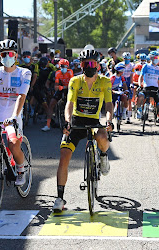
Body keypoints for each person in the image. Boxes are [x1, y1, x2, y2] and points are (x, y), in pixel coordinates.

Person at [52, 48, 113, 212]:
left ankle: (104, 156)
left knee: (102, 137)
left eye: (93, 63)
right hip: (77, 121)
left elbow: (108, 105)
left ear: (98, 66)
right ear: (81, 65)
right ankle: (59, 198)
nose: (90, 66)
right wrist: (67, 121)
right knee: (64, 154)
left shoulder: (105, 82)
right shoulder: (75, 81)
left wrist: (109, 120)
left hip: (94, 120)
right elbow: (69, 104)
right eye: (87, 64)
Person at [0, 39, 31, 186]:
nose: (7, 57)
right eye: (3, 54)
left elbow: (21, 96)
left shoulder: (25, 73)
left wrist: (14, 117)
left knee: (13, 143)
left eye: (10, 54)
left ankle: (21, 169)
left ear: (16, 56)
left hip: (13, 115)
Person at [137, 50, 159, 133]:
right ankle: (139, 109)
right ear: (151, 58)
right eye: (154, 58)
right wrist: (140, 85)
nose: (156, 59)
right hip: (147, 87)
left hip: (155, 89)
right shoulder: (146, 66)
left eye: (157, 57)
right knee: (140, 96)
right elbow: (141, 77)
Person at [42, 59, 74, 131]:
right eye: (62, 66)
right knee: (51, 104)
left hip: (69, 89)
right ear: (59, 66)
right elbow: (56, 85)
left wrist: (62, 87)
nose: (64, 68)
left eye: (66, 66)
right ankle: (48, 125)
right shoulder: (57, 73)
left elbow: (71, 84)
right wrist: (56, 88)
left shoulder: (70, 72)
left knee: (72, 103)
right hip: (61, 88)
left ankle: (72, 122)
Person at [122, 52, 134, 123]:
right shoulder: (121, 65)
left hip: (128, 81)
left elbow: (132, 76)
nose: (127, 60)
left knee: (129, 100)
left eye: (128, 59)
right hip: (122, 81)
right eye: (126, 59)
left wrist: (131, 84)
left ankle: (128, 117)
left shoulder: (132, 65)